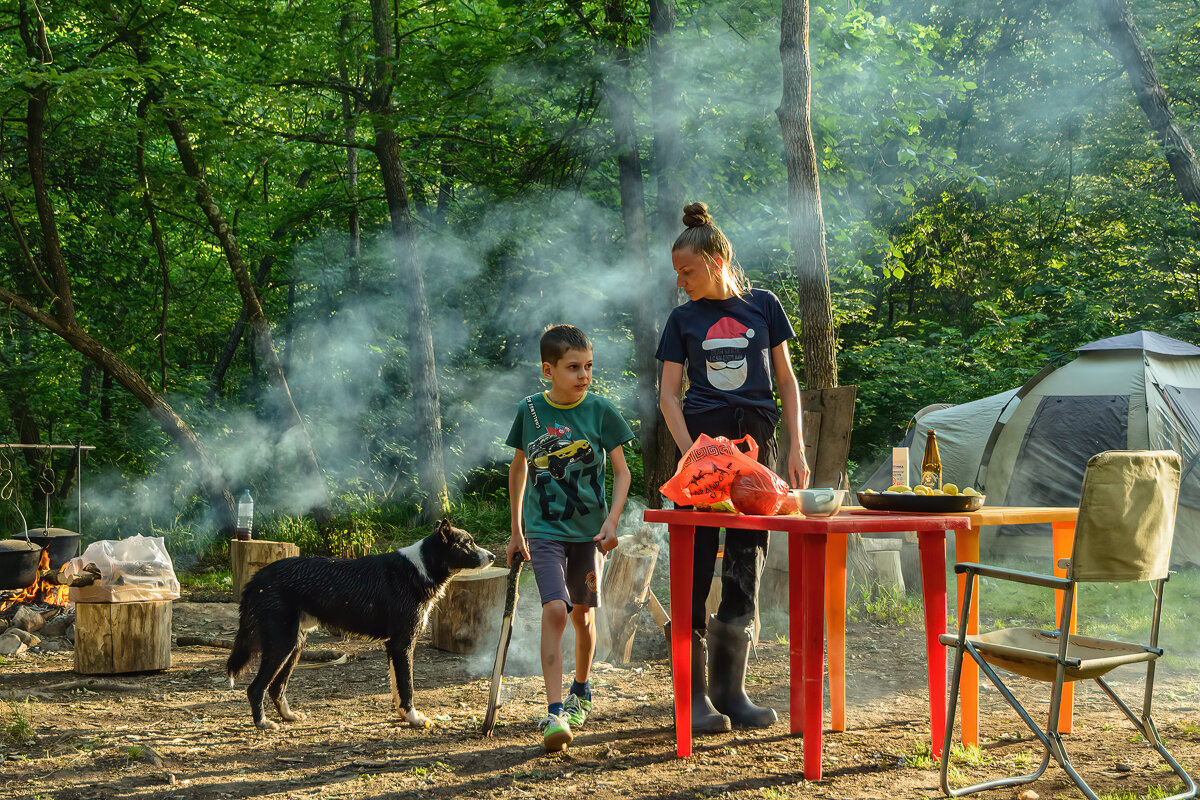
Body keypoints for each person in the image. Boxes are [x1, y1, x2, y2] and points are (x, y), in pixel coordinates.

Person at [657, 201, 810, 732]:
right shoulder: (682, 320)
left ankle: (732, 693)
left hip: (757, 454)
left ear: (718, 259)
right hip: (701, 460)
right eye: (677, 274)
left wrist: (796, 447)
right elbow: (669, 397)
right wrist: (691, 453)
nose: (681, 283)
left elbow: (787, 382)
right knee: (694, 571)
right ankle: (692, 699)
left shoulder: (764, 307)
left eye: (688, 272)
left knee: (746, 562)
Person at [507, 324, 635, 752]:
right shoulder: (530, 411)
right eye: (573, 367)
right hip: (544, 532)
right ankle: (554, 712)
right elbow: (519, 467)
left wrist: (613, 521)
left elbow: (622, 472)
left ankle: (582, 689)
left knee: (582, 615)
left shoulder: (600, 411)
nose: (584, 375)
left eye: (589, 366)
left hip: (589, 535)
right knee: (557, 611)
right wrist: (515, 531)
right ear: (549, 370)